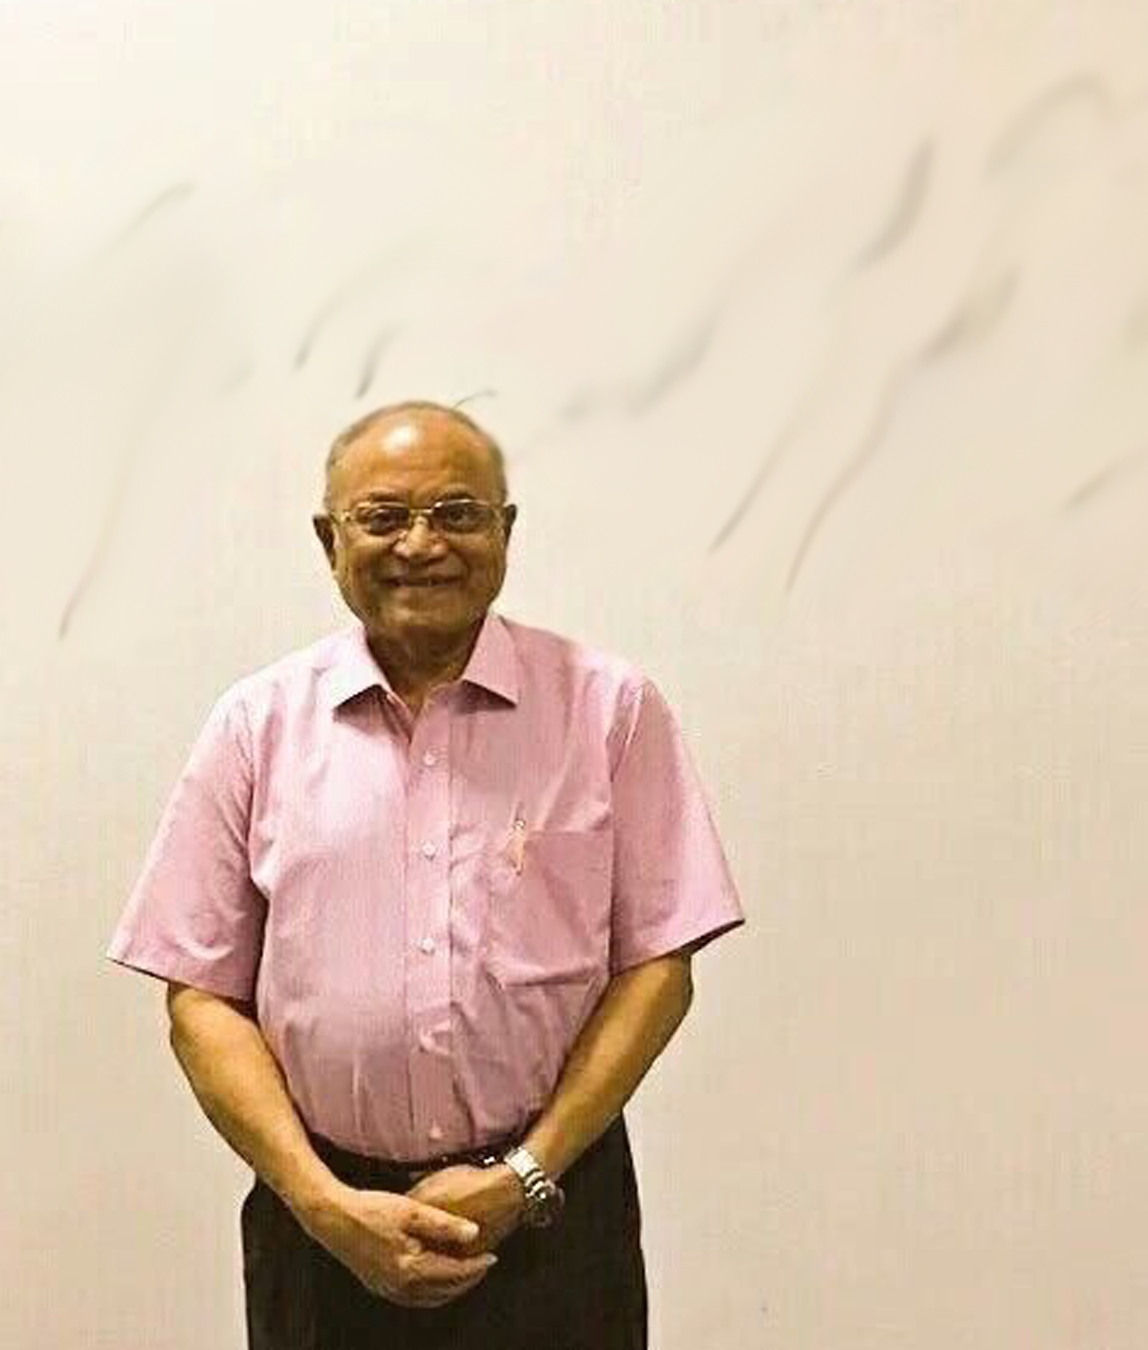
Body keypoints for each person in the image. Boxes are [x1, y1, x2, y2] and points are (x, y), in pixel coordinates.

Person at [106, 399, 747, 1348]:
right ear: (328, 540)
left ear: (505, 530)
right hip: (322, 1232)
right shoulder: (257, 726)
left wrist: (524, 1175)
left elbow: (658, 968)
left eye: (456, 513)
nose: (420, 543)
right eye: (383, 517)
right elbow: (199, 998)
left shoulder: (608, 711)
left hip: (551, 1217)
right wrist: (322, 1205)